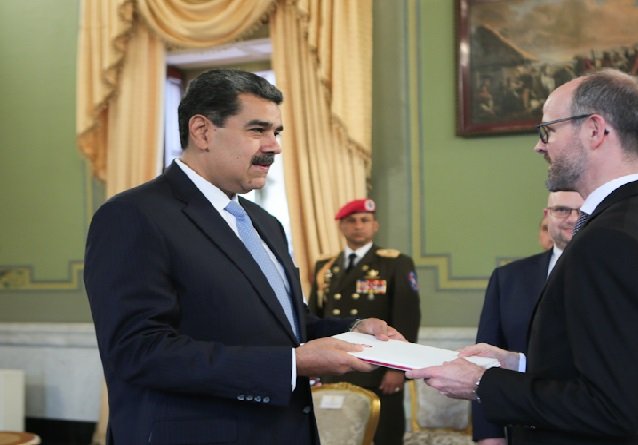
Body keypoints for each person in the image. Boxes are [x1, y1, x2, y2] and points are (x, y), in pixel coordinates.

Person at [84, 69, 404, 445]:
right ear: (202, 131)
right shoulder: (133, 215)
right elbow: (138, 351)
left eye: (276, 132)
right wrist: (292, 363)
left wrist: (353, 330)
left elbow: (287, 324)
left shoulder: (265, 223)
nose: (274, 146)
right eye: (258, 130)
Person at [407, 68, 638, 445]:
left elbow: (613, 408)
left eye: (548, 130)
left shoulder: (611, 239)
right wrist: (517, 364)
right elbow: (630, 367)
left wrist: (483, 383)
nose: (539, 146)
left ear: (594, 130)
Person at [472, 190, 583, 445]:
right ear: (547, 214)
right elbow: (485, 359)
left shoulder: (619, 273)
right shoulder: (508, 278)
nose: (572, 218)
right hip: (525, 428)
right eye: (562, 210)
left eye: (581, 211)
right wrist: (489, 435)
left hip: (595, 430)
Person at [308, 198, 421, 445]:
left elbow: (407, 317)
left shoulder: (395, 263)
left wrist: (398, 368)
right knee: (336, 433)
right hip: (334, 364)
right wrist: (314, 364)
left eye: (365, 220)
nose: (358, 226)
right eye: (351, 221)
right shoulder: (325, 266)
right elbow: (315, 317)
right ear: (341, 226)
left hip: (378, 368)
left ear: (375, 225)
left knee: (384, 434)